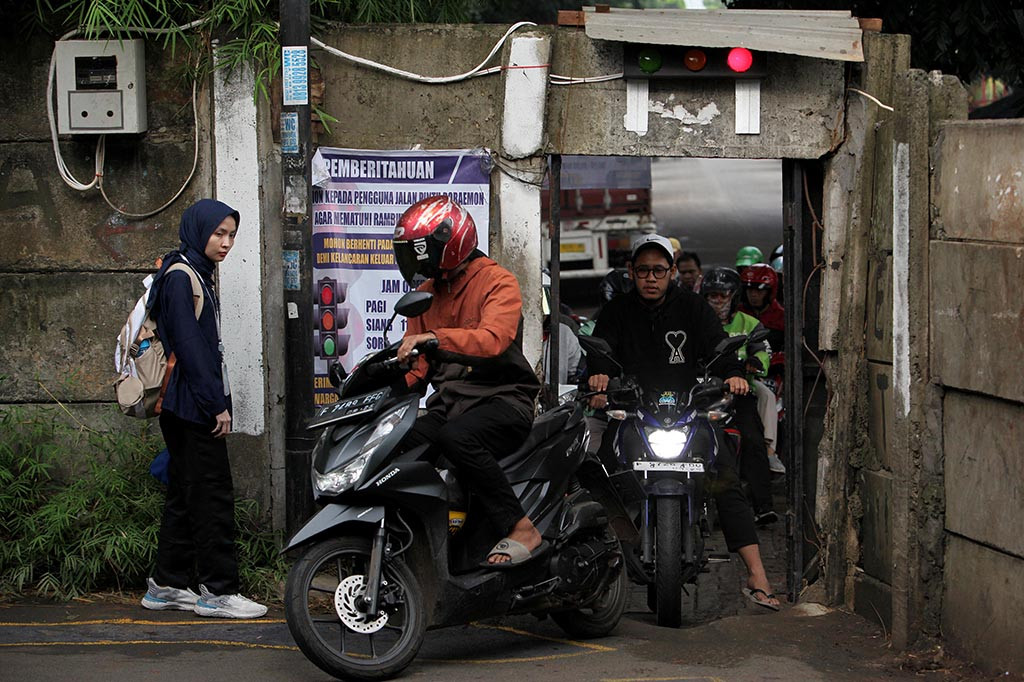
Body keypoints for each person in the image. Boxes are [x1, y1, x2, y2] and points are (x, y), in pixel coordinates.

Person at [587, 234, 781, 609]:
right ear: (631, 272)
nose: (650, 278)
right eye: (642, 270)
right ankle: (597, 574)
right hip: (634, 411)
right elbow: (601, 353)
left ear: (672, 272)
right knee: (600, 479)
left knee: (725, 479)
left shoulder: (694, 308)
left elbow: (718, 345)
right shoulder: (617, 311)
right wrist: (598, 379)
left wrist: (733, 374)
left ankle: (757, 574)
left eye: (659, 270)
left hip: (688, 410)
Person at [392, 196, 544, 567]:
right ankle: (411, 544)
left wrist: (435, 339)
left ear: (451, 241)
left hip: (502, 400)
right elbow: (417, 370)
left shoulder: (498, 282)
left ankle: (520, 526)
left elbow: (493, 340)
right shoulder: (426, 294)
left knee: (457, 437)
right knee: (396, 441)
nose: (418, 261)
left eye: (423, 251)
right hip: (451, 405)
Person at [141, 199, 267, 619]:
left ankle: (166, 584)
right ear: (199, 231)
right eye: (219, 234)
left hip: (186, 403)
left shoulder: (195, 272)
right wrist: (217, 407)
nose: (227, 243)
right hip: (191, 406)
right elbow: (192, 350)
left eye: (231, 234)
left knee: (184, 491)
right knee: (213, 495)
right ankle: (218, 591)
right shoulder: (181, 276)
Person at [698, 267, 778, 524]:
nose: (717, 301)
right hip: (699, 395)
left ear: (734, 296)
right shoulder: (693, 322)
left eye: (723, 295)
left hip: (738, 394)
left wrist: (754, 361)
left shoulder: (749, 323)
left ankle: (762, 505)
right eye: (712, 295)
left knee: (754, 440)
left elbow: (762, 351)